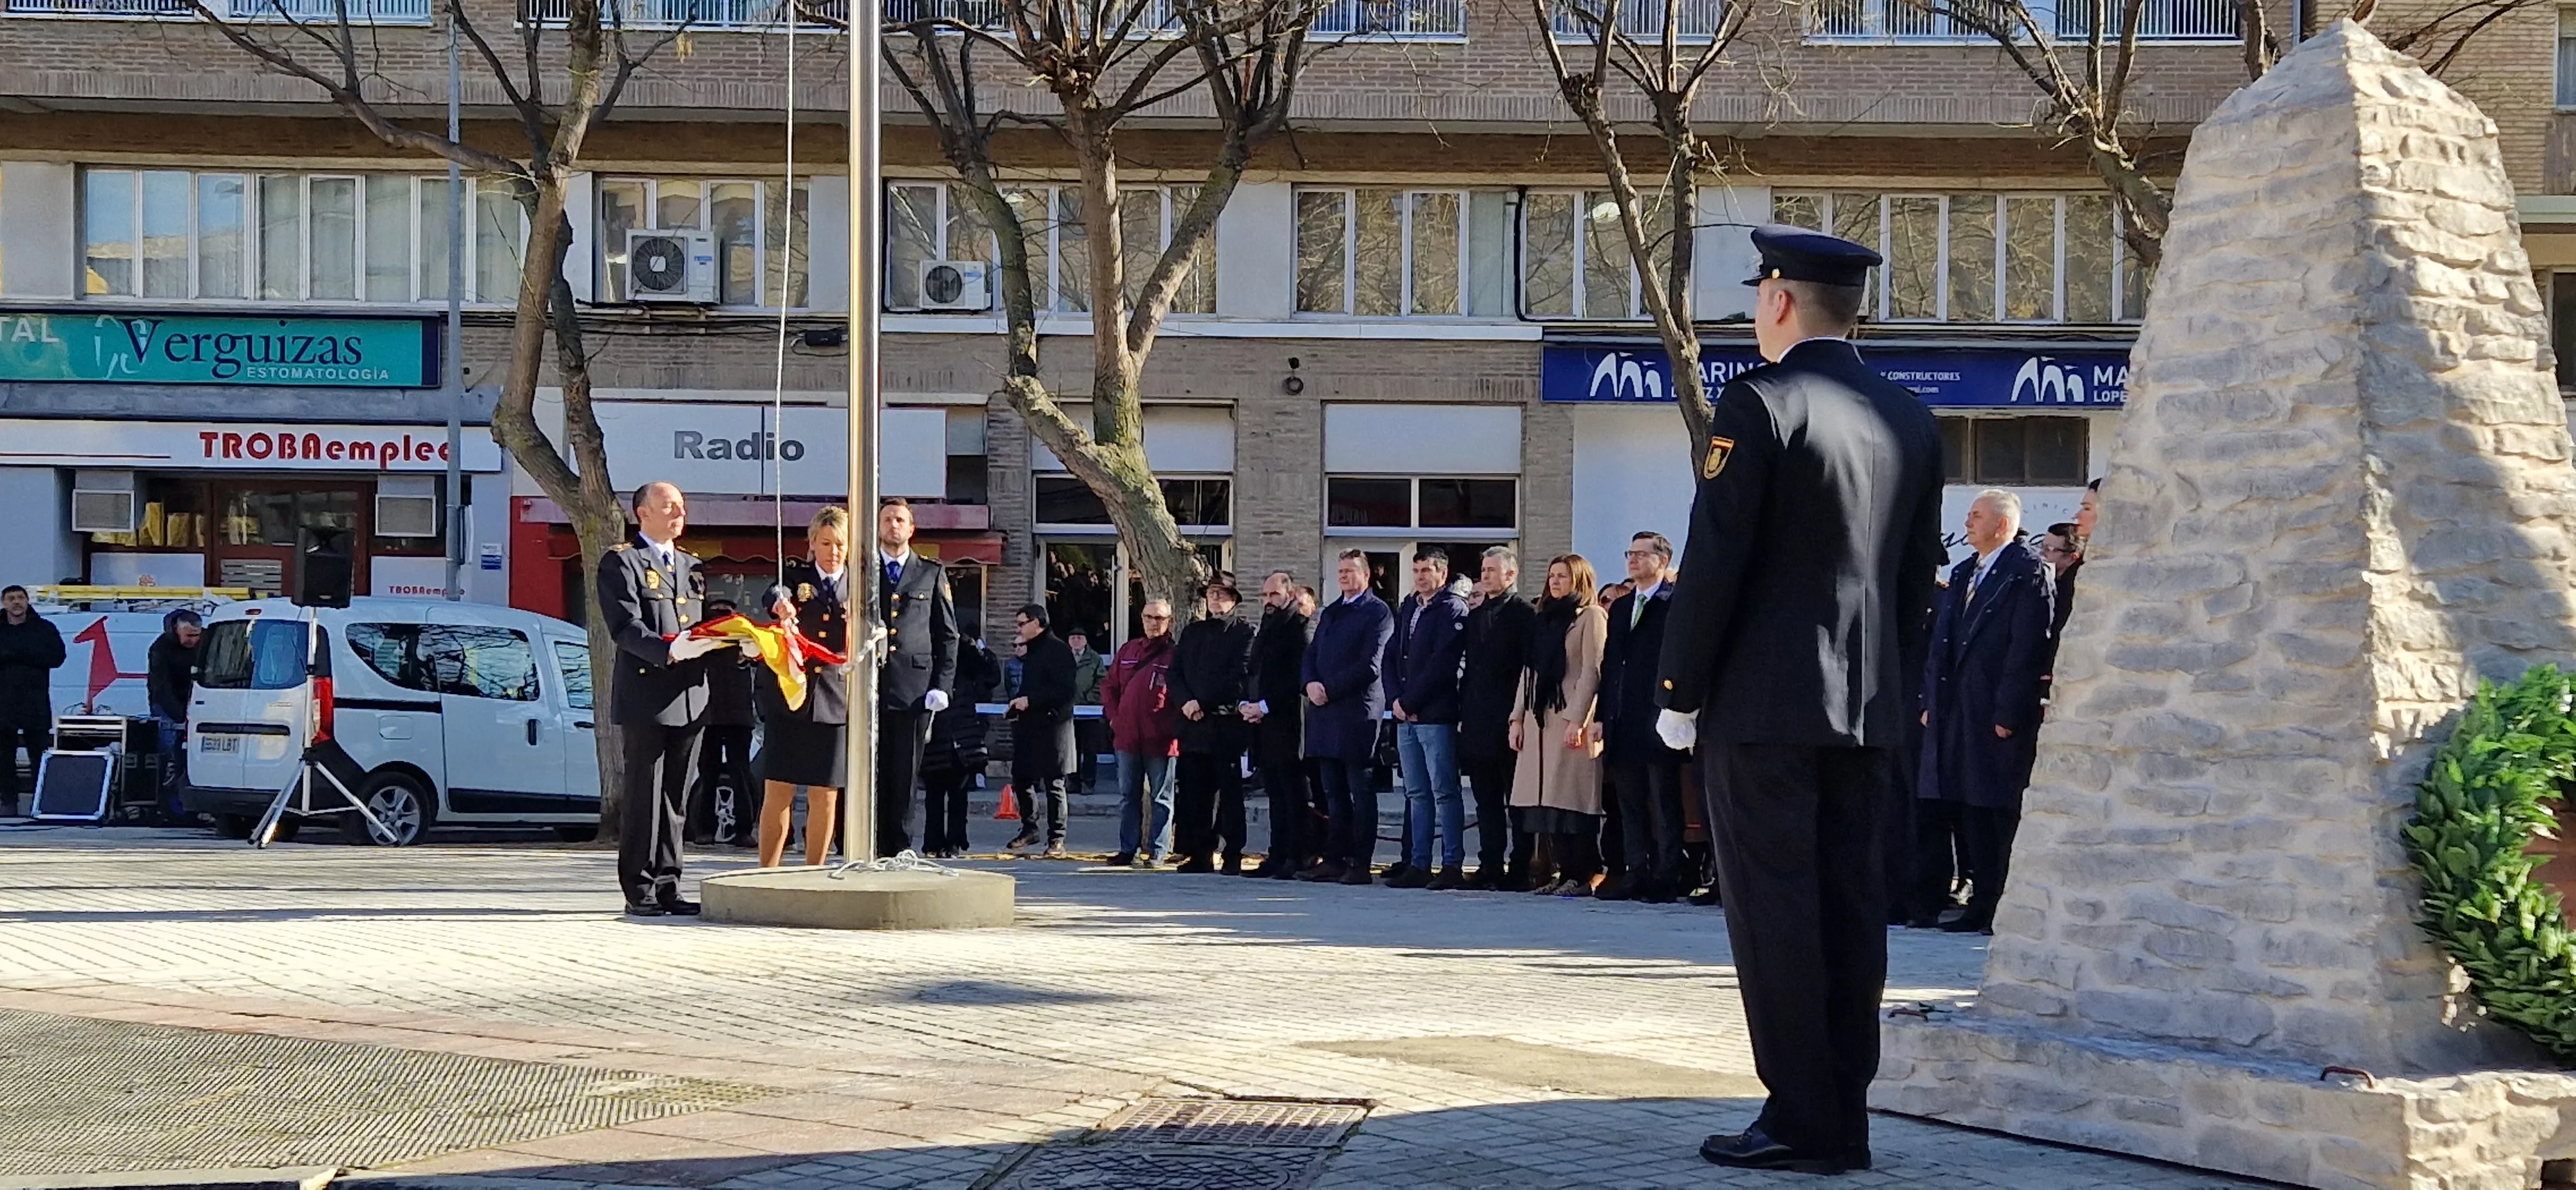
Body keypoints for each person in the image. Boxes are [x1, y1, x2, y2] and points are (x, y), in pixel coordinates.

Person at [1653, 225, 1944, 1173]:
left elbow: (1716, 566)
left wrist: (1678, 690)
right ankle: (1843, 1115)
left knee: (1775, 912)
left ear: (1779, 301)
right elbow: (1912, 589)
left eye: (1758, 297)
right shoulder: (1910, 417)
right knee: (1852, 908)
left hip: (1767, 711)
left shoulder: (1761, 404)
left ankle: (1798, 1116)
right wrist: (1892, 694)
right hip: (1868, 713)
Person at [1917, 489, 2054, 936]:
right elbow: (1941, 645)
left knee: (1996, 809)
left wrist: (2009, 711)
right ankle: (1979, 902)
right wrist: (1929, 704)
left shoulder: (2026, 573)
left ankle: (1999, 902)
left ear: (2002, 524)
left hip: (1993, 709)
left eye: (1977, 516)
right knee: (1968, 806)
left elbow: (2027, 647)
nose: (1968, 524)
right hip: (1957, 708)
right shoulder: (1964, 573)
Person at [599, 482, 724, 916]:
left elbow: (704, 624)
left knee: (676, 797)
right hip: (647, 695)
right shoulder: (622, 562)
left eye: (682, 507)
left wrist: (735, 641)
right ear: (642, 513)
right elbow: (625, 626)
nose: (678, 513)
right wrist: (667, 650)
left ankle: (670, 881)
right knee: (645, 795)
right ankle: (640, 887)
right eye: (669, 506)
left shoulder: (691, 565)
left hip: (690, 695)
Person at [753, 507, 858, 869]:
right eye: (826, 543)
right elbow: (774, 592)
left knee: (825, 794)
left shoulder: (860, 585)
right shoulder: (795, 577)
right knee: (779, 791)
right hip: (791, 696)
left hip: (835, 699)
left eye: (840, 544)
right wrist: (779, 605)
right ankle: (767, 873)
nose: (833, 551)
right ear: (812, 543)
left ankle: (814, 871)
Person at [1597, 533, 1687, 904]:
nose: (1632, 561)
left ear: (1662, 561)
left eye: (1641, 554)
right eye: (1629, 554)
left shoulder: (1674, 604)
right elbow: (1610, 666)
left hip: (1658, 718)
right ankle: (1636, 871)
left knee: (1663, 801)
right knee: (1629, 802)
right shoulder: (1620, 608)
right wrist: (1603, 716)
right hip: (1623, 719)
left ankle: (1668, 875)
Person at [1510, 556, 1607, 898]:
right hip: (1540, 718)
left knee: (1572, 800)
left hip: (1569, 718)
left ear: (1578, 580)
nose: (1555, 582)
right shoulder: (1544, 618)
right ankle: (1558, 871)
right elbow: (1530, 671)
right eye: (1552, 575)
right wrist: (1517, 718)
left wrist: (1577, 719)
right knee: (1546, 800)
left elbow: (1591, 672)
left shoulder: (1591, 617)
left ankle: (1581, 874)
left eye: (1563, 576)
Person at [1300, 551, 1393, 885]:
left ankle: (1360, 862)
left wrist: (1330, 689)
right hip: (1325, 715)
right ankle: (1334, 858)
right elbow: (1311, 653)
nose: (1344, 576)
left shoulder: (1378, 613)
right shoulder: (1331, 612)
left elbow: (1371, 664)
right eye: (1340, 571)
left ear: (1366, 576)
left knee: (1360, 792)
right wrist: (1309, 683)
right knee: (1332, 793)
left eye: (1351, 571)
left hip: (1356, 715)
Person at [873, 497, 959, 858]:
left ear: (911, 529)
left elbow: (947, 635)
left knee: (905, 773)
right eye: (888, 519)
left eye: (900, 520)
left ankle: (900, 845)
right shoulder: (863, 569)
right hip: (870, 685)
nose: (894, 525)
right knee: (870, 771)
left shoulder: (930, 572)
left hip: (914, 690)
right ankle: (867, 842)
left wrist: (942, 686)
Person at [1385, 549, 1470, 889]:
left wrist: (1412, 700)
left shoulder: (1452, 609)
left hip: (1435, 714)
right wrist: (1396, 700)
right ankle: (1418, 863)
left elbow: (1443, 664)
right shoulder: (1409, 606)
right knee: (1416, 792)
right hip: (1406, 716)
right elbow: (1392, 655)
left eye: (1427, 570)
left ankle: (1451, 864)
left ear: (1443, 574)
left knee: (1444, 791)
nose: (1420, 576)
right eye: (1416, 570)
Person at [1458, 546, 1537, 890]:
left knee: (1516, 800)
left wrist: (1518, 717)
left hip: (1510, 720)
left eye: (1492, 570)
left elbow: (1528, 670)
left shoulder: (1524, 614)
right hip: (1477, 720)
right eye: (1483, 570)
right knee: (1485, 800)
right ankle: (1490, 864)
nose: (1486, 575)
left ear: (1511, 574)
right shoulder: (1476, 615)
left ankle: (1521, 867)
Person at [1170, 577, 1256, 873]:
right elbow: (1175, 672)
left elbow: (1239, 675)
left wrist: (1203, 703)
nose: (1215, 599)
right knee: (1195, 794)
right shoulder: (1193, 632)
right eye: (1211, 594)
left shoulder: (1245, 633)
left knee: (1230, 795)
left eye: (1221, 594)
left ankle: (1233, 853)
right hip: (1193, 725)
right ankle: (1200, 852)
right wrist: (1186, 702)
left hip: (1225, 724)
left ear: (1233, 599)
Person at [1242, 570, 1316, 878]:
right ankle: (1276, 854)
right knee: (1274, 793)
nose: (1268, 601)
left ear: (1289, 594)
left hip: (1287, 724)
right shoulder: (1266, 627)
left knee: (1292, 794)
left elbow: (1294, 679)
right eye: (1265, 595)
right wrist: (1248, 705)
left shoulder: (1297, 627)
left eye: (1274, 594)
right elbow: (1254, 670)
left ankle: (1296, 856)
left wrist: (1265, 705)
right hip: (1263, 726)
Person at [1103, 599, 1182, 868]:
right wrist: (1115, 718)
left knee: (1162, 797)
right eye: (1149, 617)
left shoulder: (1175, 656)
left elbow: (1180, 696)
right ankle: (1128, 849)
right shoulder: (1128, 650)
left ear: (1169, 621)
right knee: (1128, 797)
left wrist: (1171, 729)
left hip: (1160, 740)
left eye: (1159, 619)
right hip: (1127, 738)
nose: (1153, 623)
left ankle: (1158, 851)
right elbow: (1109, 687)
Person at [1006, 605, 1075, 857]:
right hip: (1028, 726)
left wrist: (1032, 701)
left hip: (1053, 726)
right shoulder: (1031, 652)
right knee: (1021, 778)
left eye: (1022, 623)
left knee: (1054, 782)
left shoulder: (1058, 651)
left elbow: (1065, 691)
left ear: (1037, 623)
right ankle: (1029, 828)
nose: (1019, 629)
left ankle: (1057, 838)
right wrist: (1018, 706)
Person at [921, 637, 998, 858]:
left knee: (959, 794)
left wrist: (974, 647)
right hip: (936, 734)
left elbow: (991, 675)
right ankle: (934, 842)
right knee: (934, 795)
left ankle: (955, 842)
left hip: (962, 736)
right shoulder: (929, 656)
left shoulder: (965, 658)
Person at [693, 598, 757, 847]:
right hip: (709, 714)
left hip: (734, 715)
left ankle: (741, 830)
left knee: (736, 773)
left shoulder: (744, 632)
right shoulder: (701, 633)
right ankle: (709, 829)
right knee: (712, 774)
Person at [146, 608, 202, 817]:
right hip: (168, 707)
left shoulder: (201, 645)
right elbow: (161, 688)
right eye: (189, 636)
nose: (193, 641)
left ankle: (186, 804)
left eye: (196, 636)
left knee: (186, 758)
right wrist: (180, 716)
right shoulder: (160, 649)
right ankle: (167, 805)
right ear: (176, 630)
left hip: (193, 705)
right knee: (169, 755)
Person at [1067, 630, 1105, 797]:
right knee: (1070, 749)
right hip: (1068, 712)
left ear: (1085, 641)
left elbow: (1103, 680)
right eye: (1073, 638)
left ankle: (1088, 782)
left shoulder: (1095, 659)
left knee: (1089, 749)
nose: (1076, 641)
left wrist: (1089, 698)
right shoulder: (1063, 657)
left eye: (1079, 638)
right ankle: (1073, 781)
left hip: (1089, 712)